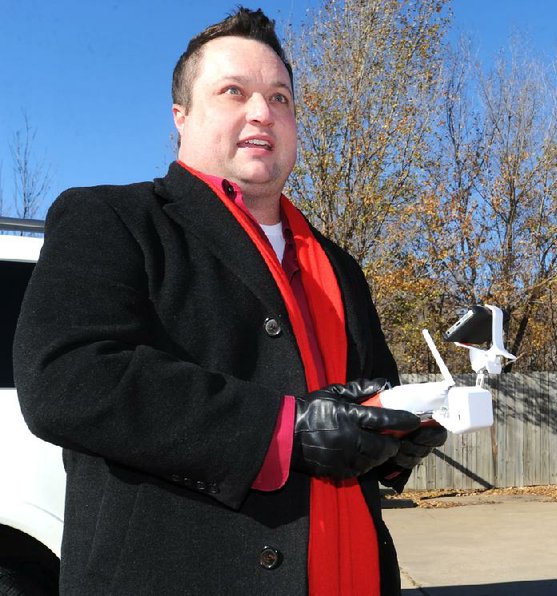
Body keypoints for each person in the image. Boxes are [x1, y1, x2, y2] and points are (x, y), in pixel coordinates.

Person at [13, 7, 446, 595]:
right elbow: (64, 379)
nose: (262, 111)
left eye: (280, 97)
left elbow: (364, 398)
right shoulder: (112, 218)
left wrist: (393, 443)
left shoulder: (337, 265)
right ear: (181, 116)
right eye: (233, 91)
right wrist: (285, 430)